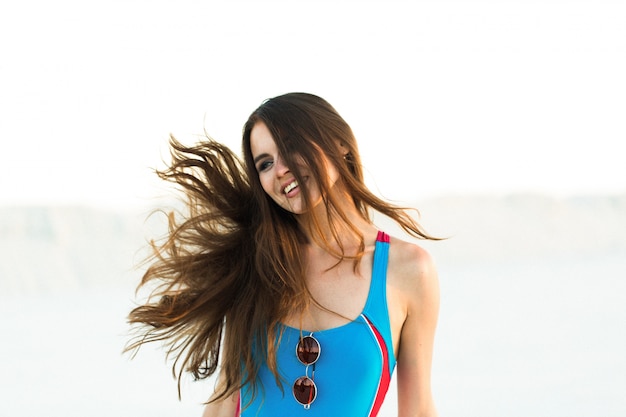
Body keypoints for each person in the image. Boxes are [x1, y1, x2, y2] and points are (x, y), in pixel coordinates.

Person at [126, 92, 440, 417]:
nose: (280, 169)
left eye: (291, 146)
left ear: (340, 144)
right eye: (265, 163)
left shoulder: (409, 271)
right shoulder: (256, 262)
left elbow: (418, 411)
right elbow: (225, 397)